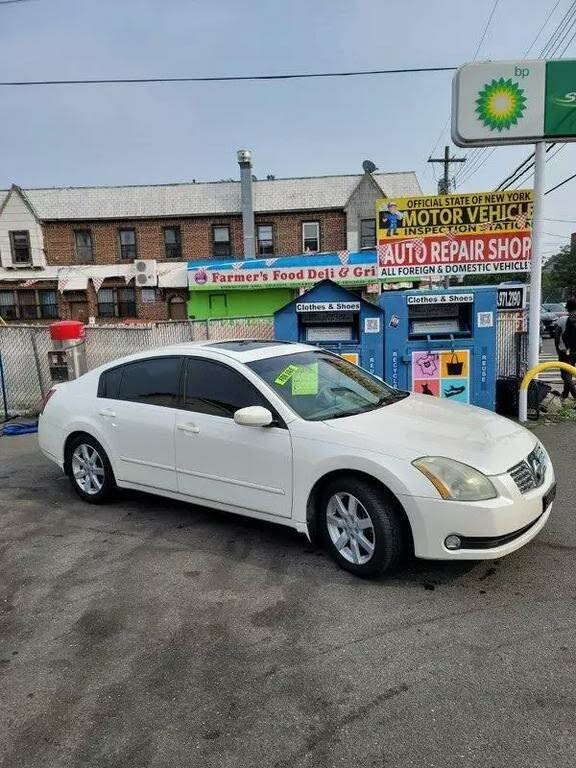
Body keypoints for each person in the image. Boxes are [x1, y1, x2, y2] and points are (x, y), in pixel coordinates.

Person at [554, 297, 576, 401]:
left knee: (565, 375)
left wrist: (558, 350)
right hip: (574, 351)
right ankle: (565, 394)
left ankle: (575, 396)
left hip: (565, 352)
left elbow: (557, 338)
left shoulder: (562, 320)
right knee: (570, 372)